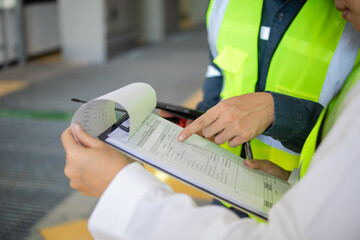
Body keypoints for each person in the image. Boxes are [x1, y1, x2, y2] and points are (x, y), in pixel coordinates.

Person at [61, 0, 360, 238]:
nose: (339, 4)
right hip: (241, 184)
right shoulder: (224, 3)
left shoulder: (348, 22)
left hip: (302, 199)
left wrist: (119, 188)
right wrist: (193, 118)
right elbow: (219, 71)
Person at [176, 0, 360, 175]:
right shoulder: (223, 2)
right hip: (225, 180)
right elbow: (218, 67)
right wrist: (200, 115)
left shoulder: (351, 16)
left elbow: (350, 133)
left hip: (303, 193)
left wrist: (279, 112)